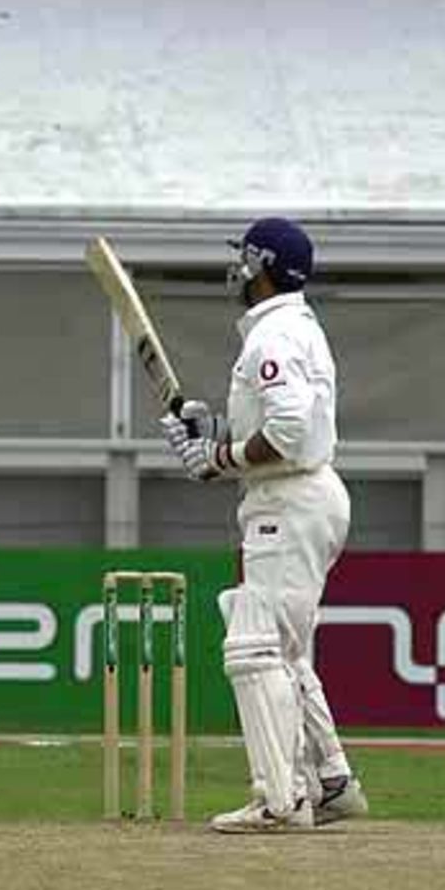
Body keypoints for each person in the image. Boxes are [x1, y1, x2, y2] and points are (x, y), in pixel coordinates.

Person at [160, 217, 368, 832]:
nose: (236, 271)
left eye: (244, 260)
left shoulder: (272, 337)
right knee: (284, 650)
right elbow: (278, 433)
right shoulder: (287, 331)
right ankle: (330, 781)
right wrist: (215, 437)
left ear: (262, 265)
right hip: (300, 495)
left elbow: (288, 433)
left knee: (254, 649)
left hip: (290, 498)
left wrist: (220, 457)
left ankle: (282, 801)